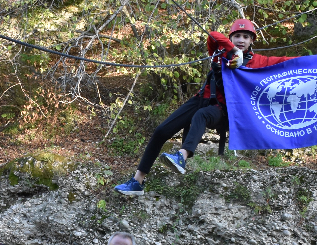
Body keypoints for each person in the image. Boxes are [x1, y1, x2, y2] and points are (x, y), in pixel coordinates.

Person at [115, 19, 297, 194]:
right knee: (161, 131)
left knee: (201, 115)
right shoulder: (221, 53)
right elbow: (213, 35)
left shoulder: (258, 61)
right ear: (231, 38)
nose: (241, 40)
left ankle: (182, 156)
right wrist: (235, 52)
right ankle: (137, 182)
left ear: (251, 41)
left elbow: (287, 62)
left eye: (246, 37)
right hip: (203, 99)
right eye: (237, 36)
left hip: (226, 110)